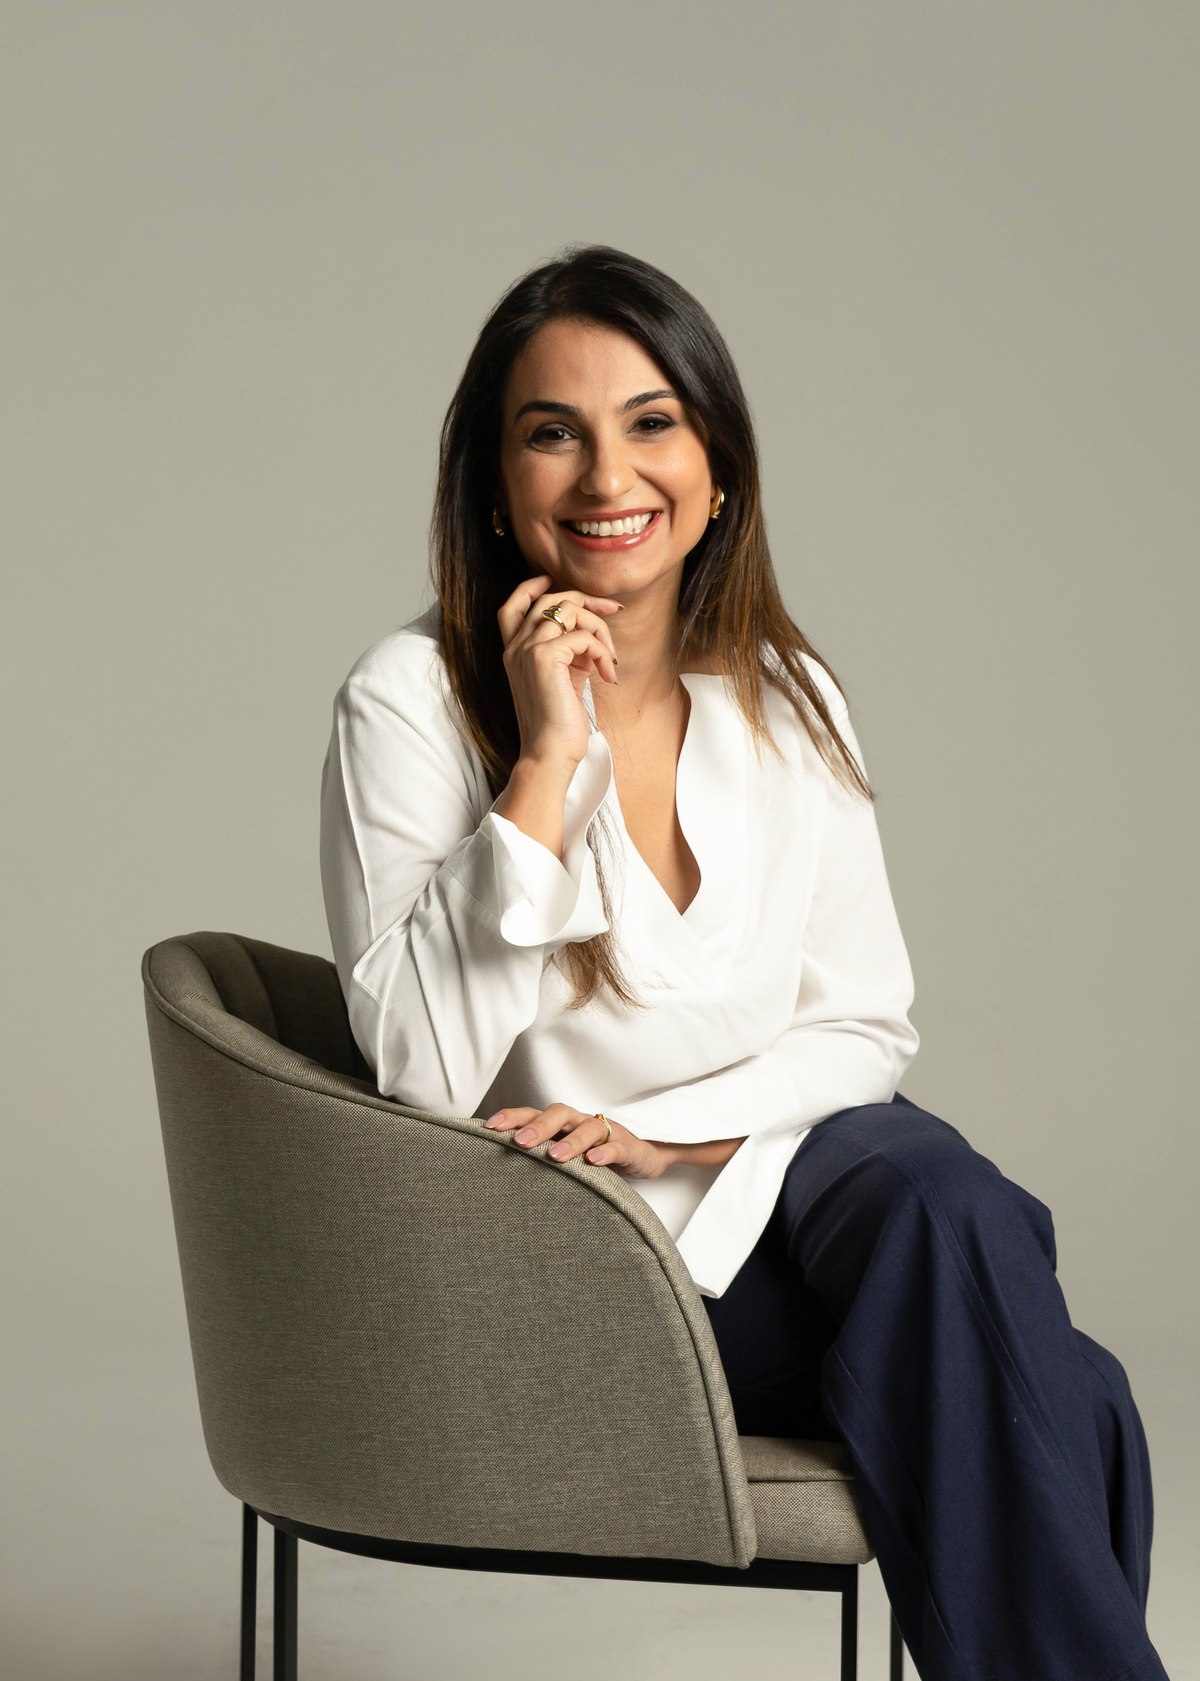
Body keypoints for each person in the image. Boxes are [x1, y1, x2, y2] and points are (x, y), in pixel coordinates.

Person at [320, 245, 1167, 1681]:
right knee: (1064, 1384)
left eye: (651, 423)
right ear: (495, 485)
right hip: (582, 1266)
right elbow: (418, 1068)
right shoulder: (409, 700)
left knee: (941, 1206)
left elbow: (863, 1030)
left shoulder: (786, 697)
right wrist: (545, 763)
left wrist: (672, 1129)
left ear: (716, 470)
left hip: (798, 1199)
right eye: (553, 432)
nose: (608, 476)